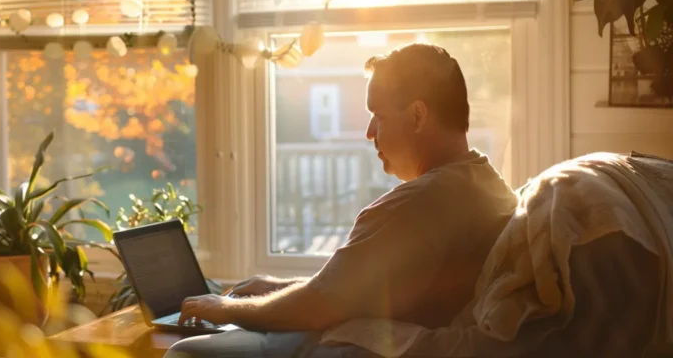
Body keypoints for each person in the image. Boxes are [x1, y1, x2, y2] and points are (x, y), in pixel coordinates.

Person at [164, 43, 518, 357]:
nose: (369, 132)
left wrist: (226, 308)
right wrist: (276, 287)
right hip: (371, 328)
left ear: (417, 115)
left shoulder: (420, 203)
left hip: (353, 343)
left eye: (377, 115)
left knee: (185, 353)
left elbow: (321, 304)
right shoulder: (486, 185)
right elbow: (348, 289)